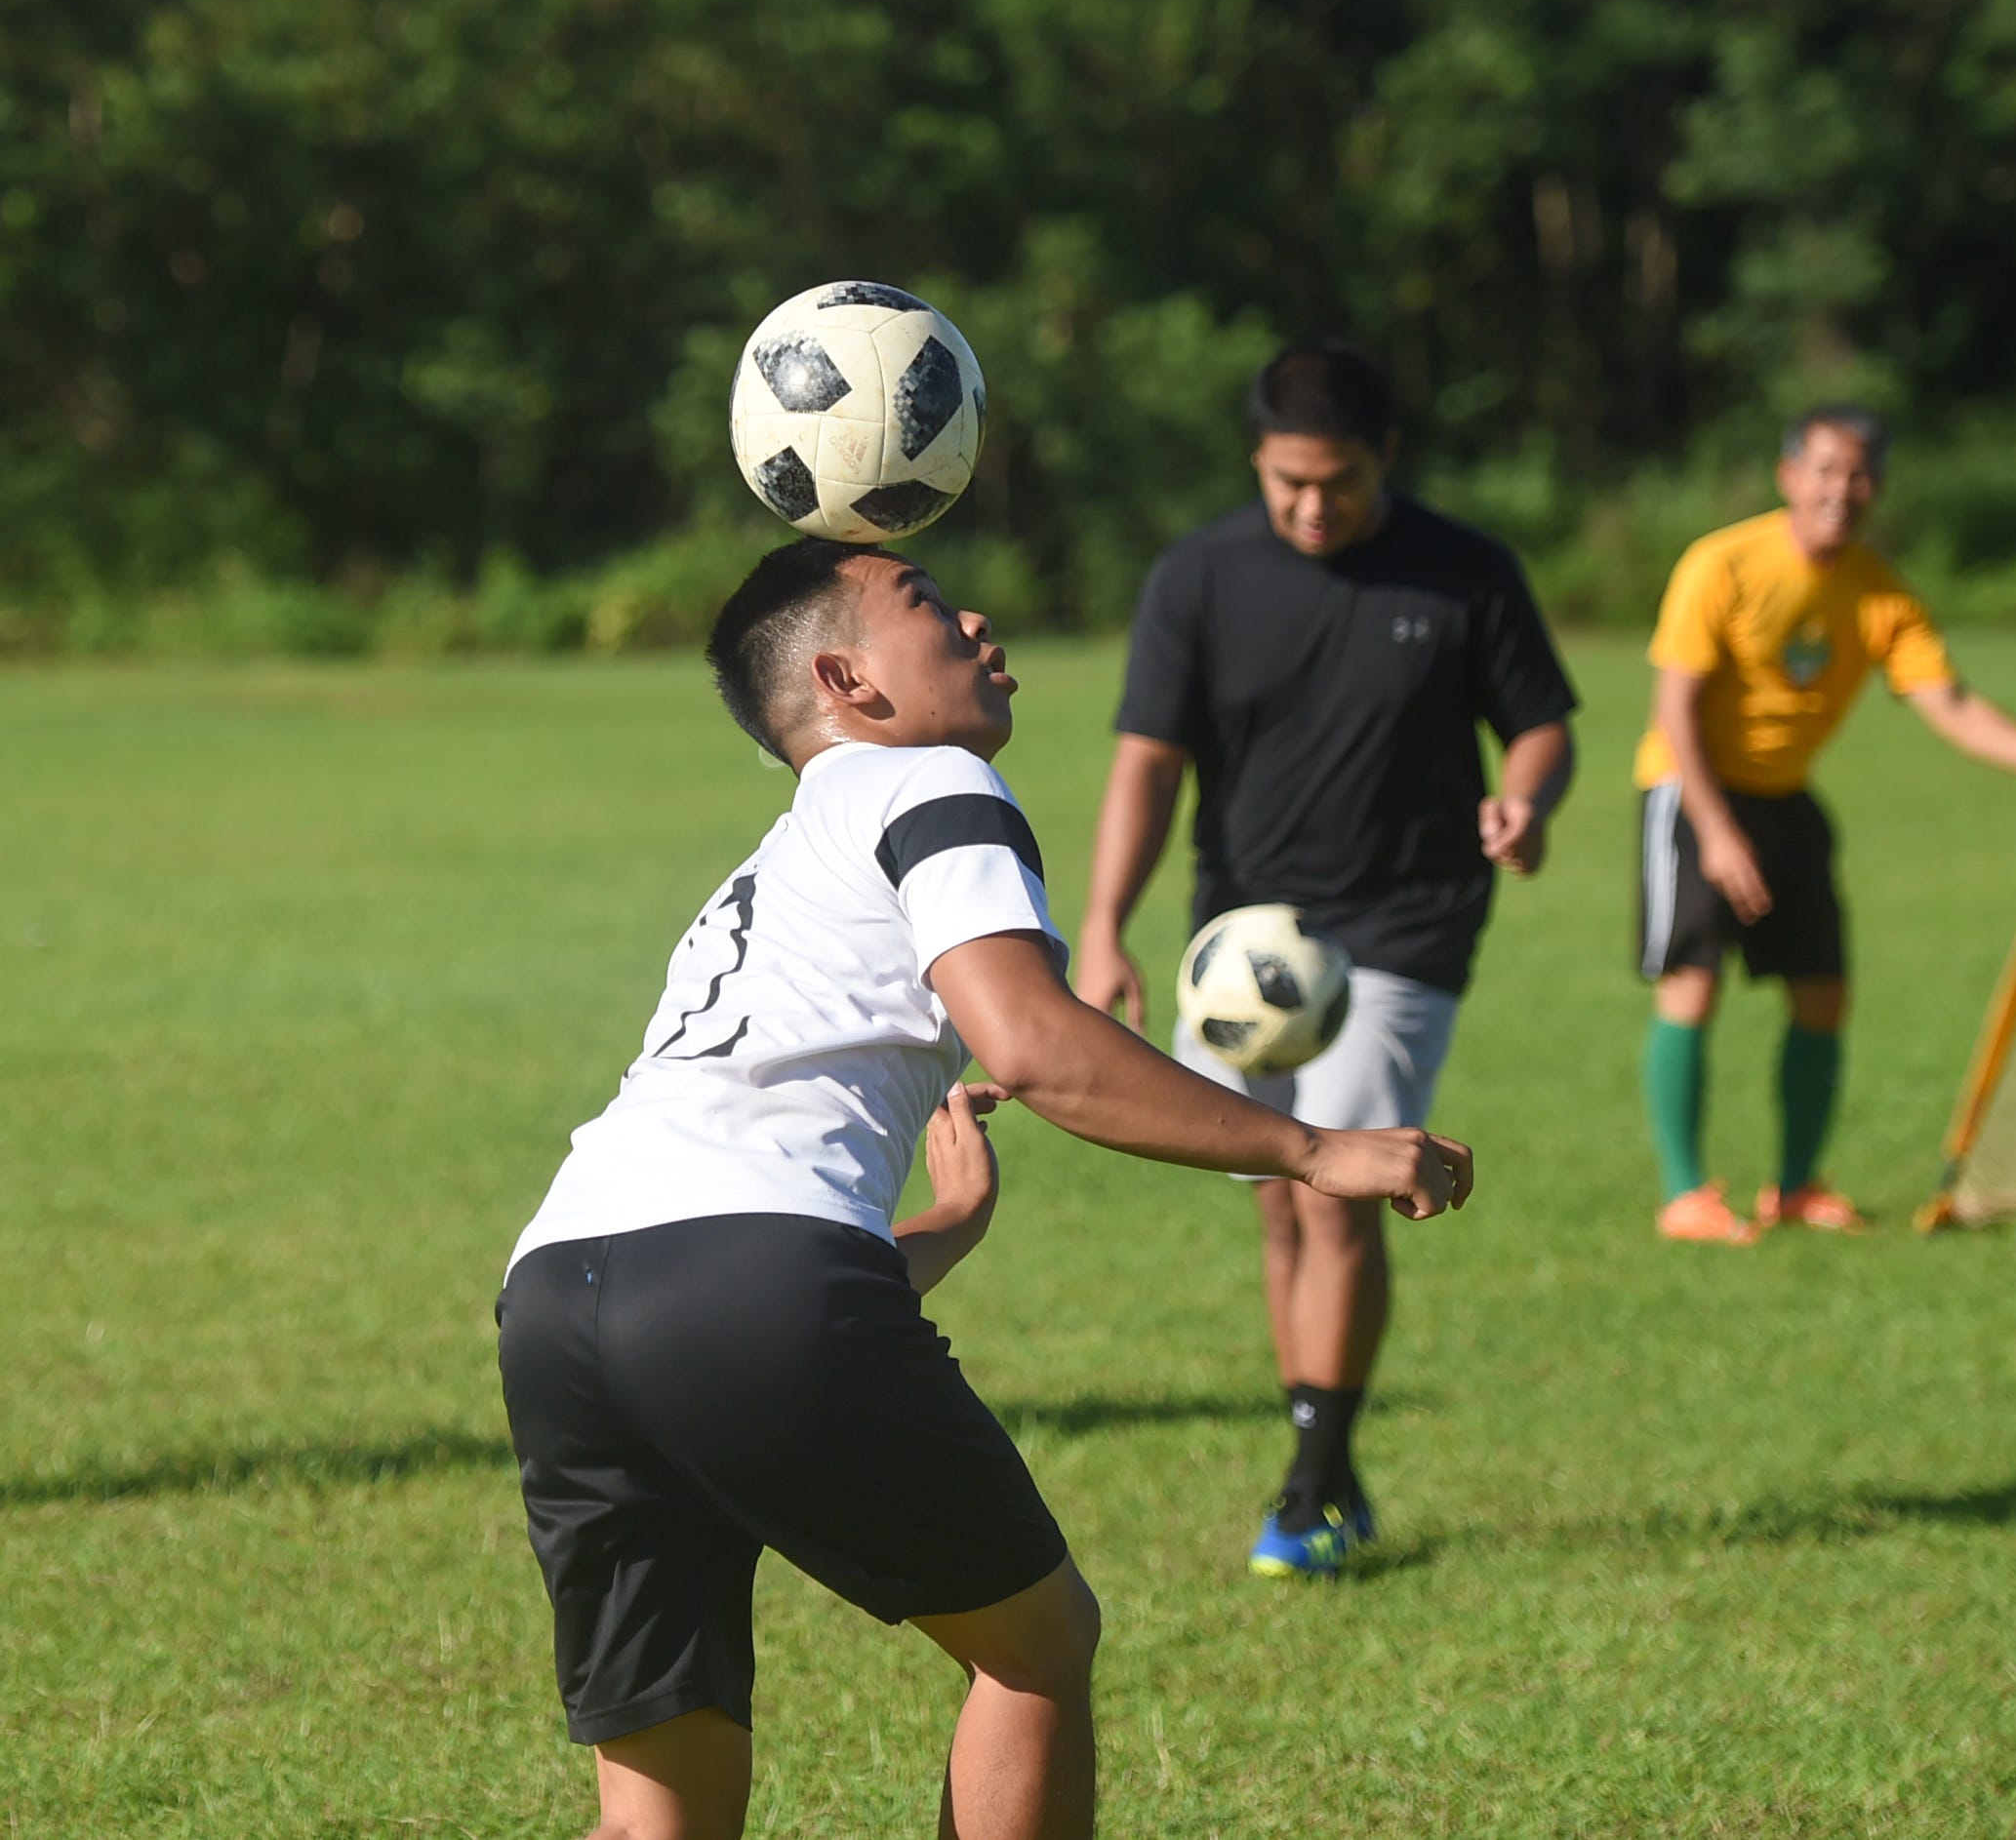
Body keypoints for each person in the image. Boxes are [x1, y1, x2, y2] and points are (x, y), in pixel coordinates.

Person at [496, 538, 1472, 1840]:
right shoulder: (931, 781)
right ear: (851, 681)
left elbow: (696, 1272)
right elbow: (1034, 1046)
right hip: (748, 1284)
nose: (975, 616)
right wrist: (1313, 1149)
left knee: (663, 1802)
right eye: (923, 606)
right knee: (1035, 1643)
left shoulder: (761, 875)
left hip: (557, 1298)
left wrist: (937, 1233)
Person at [1075, 341, 1576, 1580]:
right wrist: (1103, 924)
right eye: (1288, 480)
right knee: (1277, 1202)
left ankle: (1307, 1479)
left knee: (1337, 1194)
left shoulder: (1464, 570)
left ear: (1384, 458)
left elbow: (1541, 725)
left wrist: (1525, 799)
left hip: (1403, 925)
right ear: (1257, 458)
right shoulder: (1197, 576)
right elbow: (1148, 760)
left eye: (1337, 481)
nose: (1311, 505)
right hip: (1239, 947)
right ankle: (1331, 1456)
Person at [1636, 404, 2016, 1244]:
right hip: (1690, 789)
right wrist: (1715, 832)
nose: (1842, 490)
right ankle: (1685, 1194)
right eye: (1825, 471)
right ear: (1790, 476)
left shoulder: (1879, 593)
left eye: (1859, 475)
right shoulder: (1721, 563)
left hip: (1788, 796)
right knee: (1694, 983)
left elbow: (1954, 707)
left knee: (1823, 992)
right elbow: (1673, 708)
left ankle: (1794, 1187)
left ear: (1878, 488)